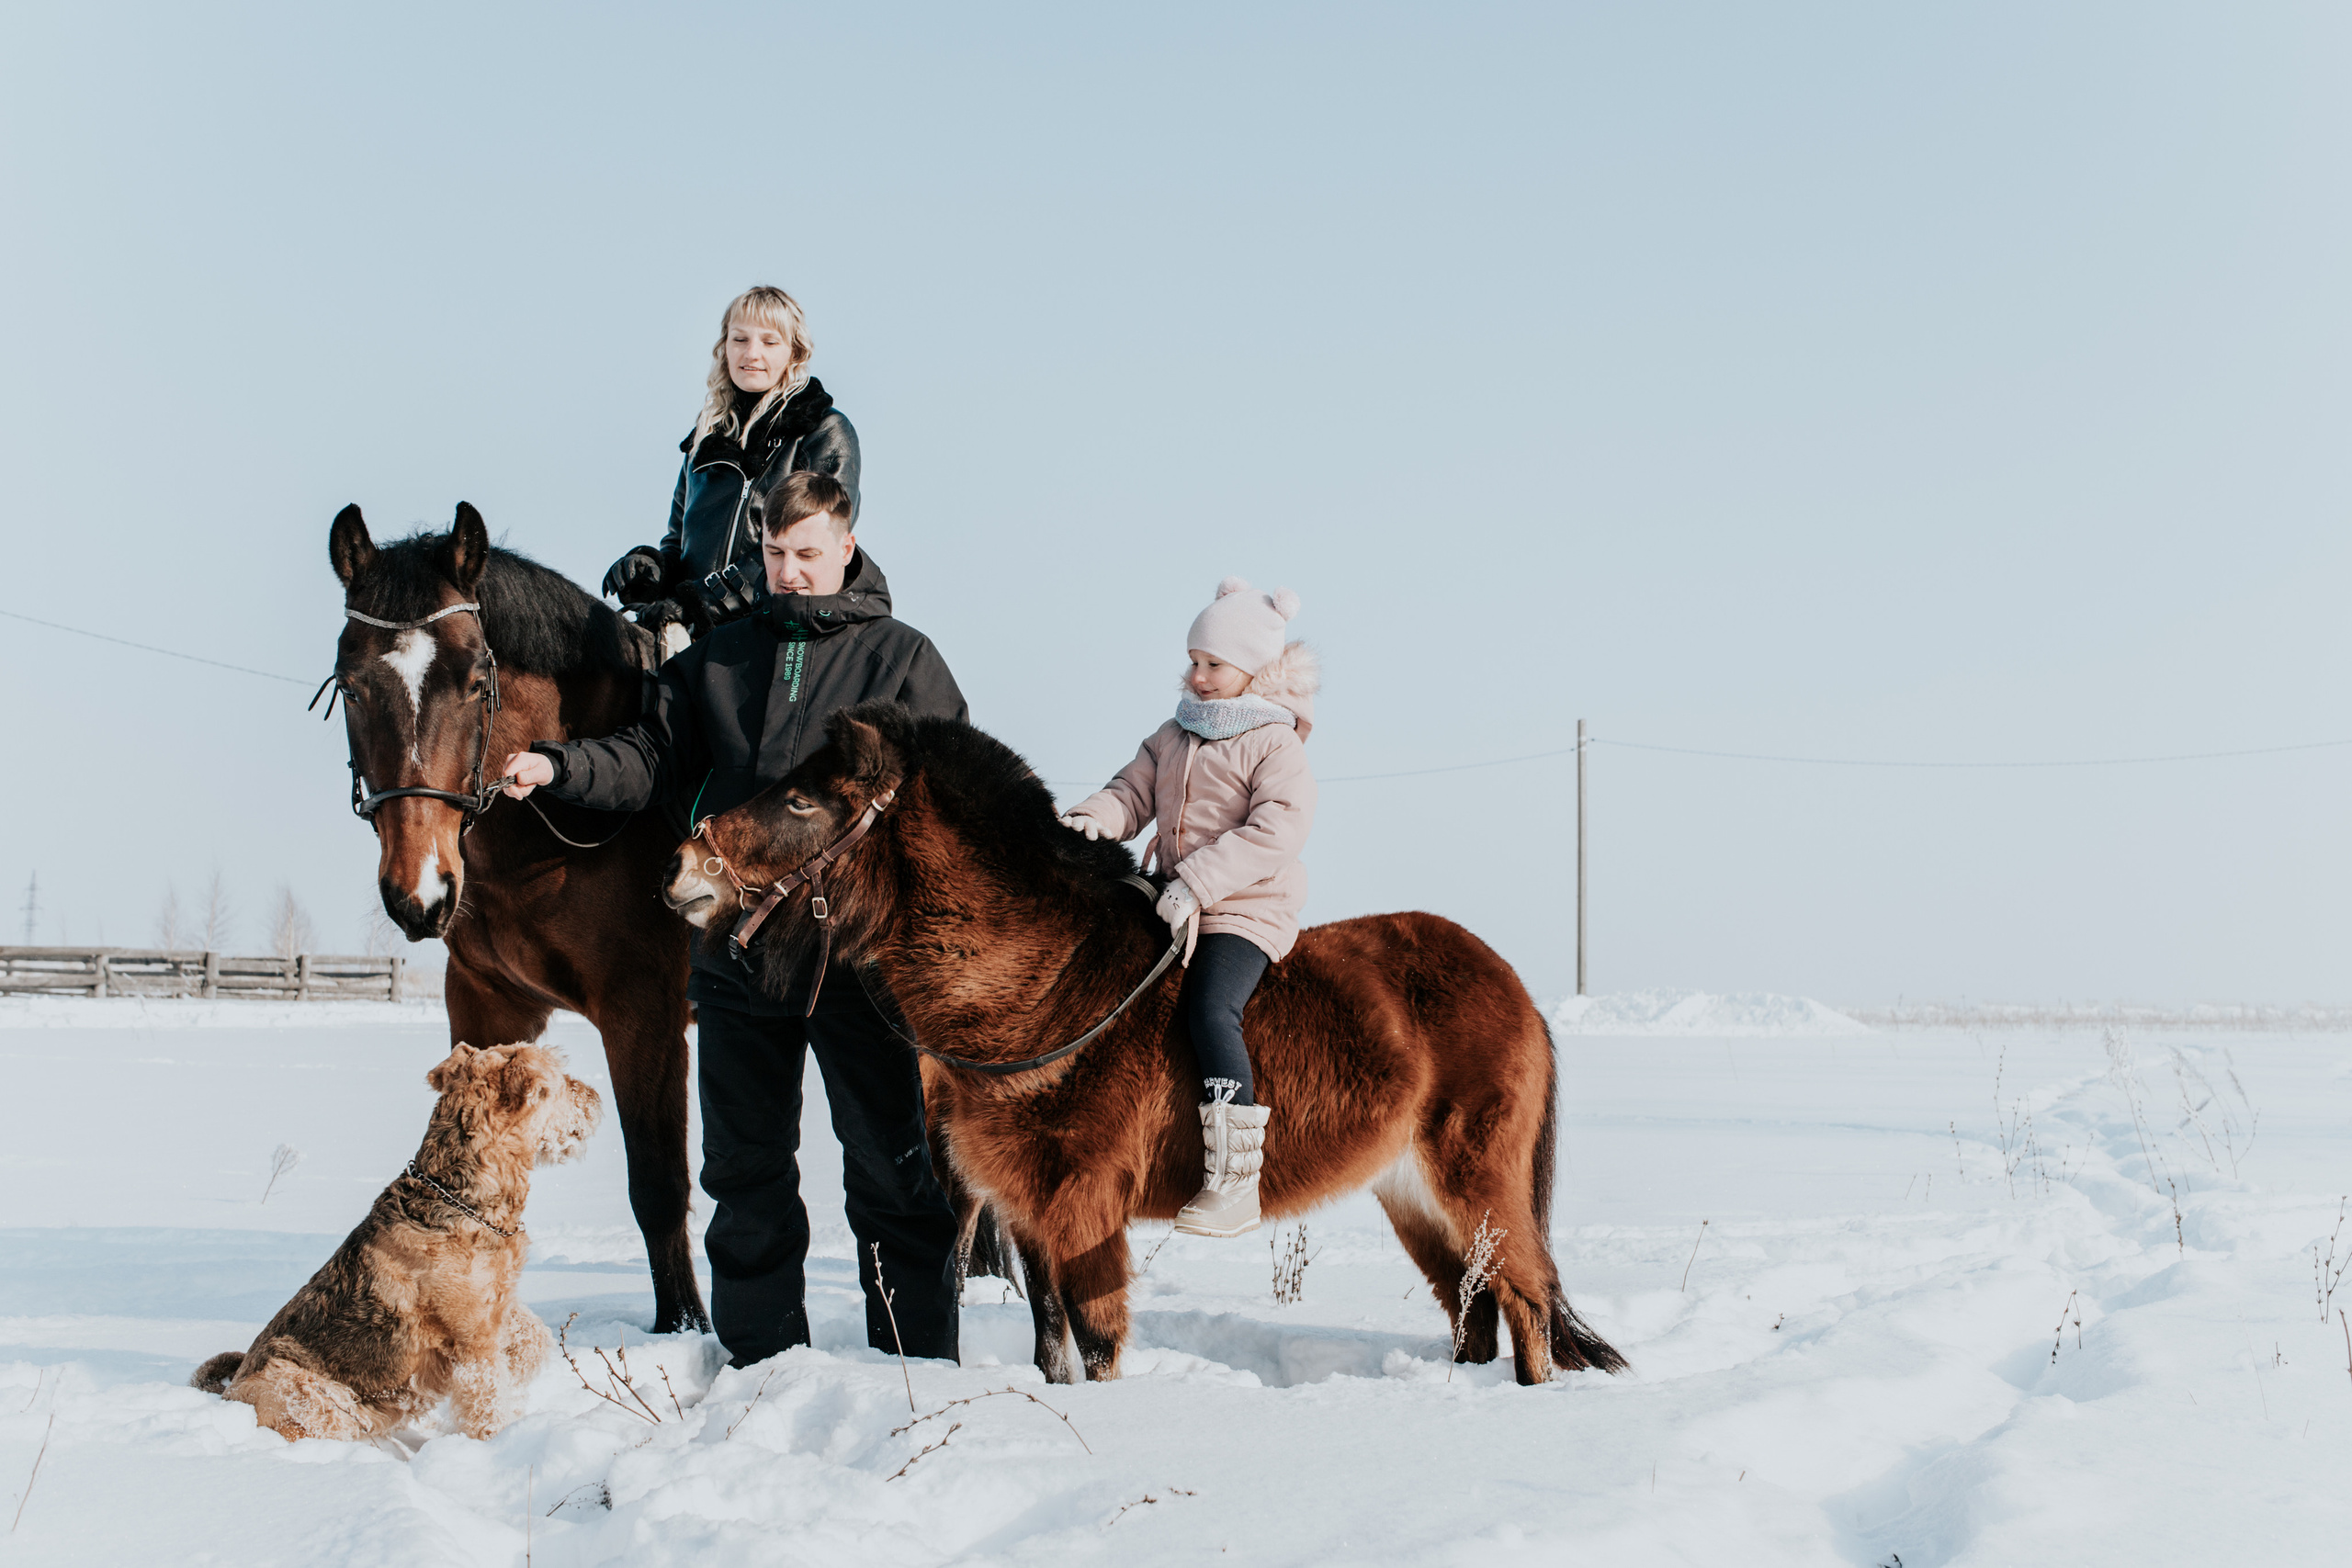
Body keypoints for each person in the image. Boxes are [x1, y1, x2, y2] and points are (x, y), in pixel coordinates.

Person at [500, 471, 964, 1368]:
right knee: (745, 1172)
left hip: (856, 960)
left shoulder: (903, 658)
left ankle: (916, 1368)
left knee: (890, 1171)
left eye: (806, 554)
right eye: (774, 554)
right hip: (736, 952)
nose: (788, 571)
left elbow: (944, 792)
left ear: (846, 543)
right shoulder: (715, 658)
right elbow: (648, 758)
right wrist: (557, 769)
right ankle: (763, 1366)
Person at [1057, 578, 1319, 1238]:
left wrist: (1198, 881)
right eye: (1195, 661)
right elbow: (1131, 791)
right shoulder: (1173, 734)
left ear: (1255, 669)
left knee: (1209, 1007)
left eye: (1215, 665)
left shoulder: (1274, 743)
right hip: (1174, 898)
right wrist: (1093, 819)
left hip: (1242, 907)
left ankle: (1234, 1181)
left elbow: (1277, 830)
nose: (1199, 676)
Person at [601, 286, 861, 648]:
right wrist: (652, 570)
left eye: (770, 342)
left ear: (794, 352)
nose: (751, 354)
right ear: (724, 347)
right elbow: (680, 543)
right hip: (697, 638)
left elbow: (812, 544)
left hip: (779, 632)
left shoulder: (822, 431)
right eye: (740, 339)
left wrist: (698, 603)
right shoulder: (705, 438)